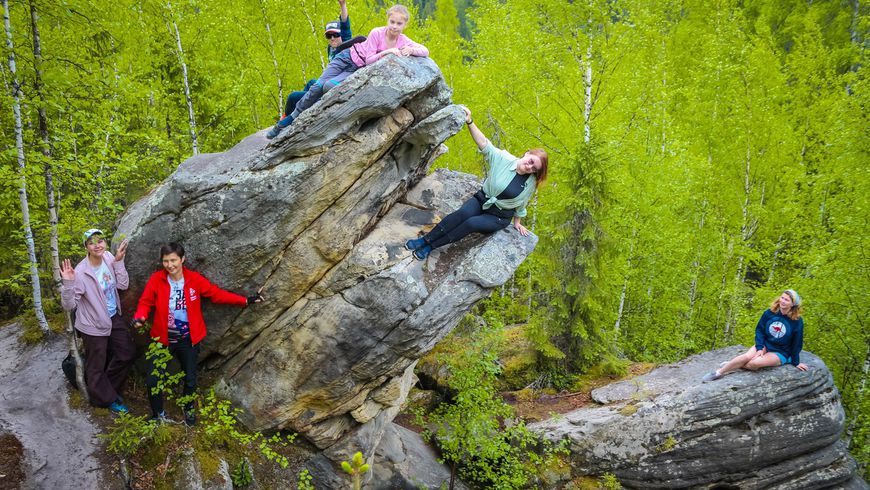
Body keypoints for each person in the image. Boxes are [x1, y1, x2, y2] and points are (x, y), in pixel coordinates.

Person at [131, 243, 264, 425]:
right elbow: (145, 302)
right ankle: (157, 415)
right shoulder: (157, 279)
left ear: (182, 259)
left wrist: (246, 300)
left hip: (188, 339)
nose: (170, 265)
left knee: (190, 379)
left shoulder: (194, 280)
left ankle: (189, 410)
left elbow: (217, 295)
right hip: (162, 339)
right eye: (165, 261)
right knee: (153, 380)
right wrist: (140, 318)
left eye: (173, 260)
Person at [405, 106, 548, 260]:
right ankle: (424, 240)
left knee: (471, 223)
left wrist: (517, 222)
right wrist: (469, 121)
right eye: (531, 161)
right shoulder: (503, 159)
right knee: (462, 214)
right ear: (527, 154)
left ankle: (430, 247)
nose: (530, 167)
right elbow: (484, 143)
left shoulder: (530, 183)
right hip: (482, 200)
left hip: (499, 217)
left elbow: (521, 204)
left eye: (534, 168)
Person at [266, 4, 428, 139]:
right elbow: (369, 60)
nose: (394, 26)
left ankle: (312, 118)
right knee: (317, 85)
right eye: (392, 21)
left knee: (329, 87)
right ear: (387, 20)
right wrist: (388, 52)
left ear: (405, 25)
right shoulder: (377, 33)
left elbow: (425, 51)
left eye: (399, 23)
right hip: (347, 57)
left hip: (356, 69)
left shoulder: (402, 40)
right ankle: (287, 121)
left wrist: (411, 50)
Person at [60, 229, 135, 413]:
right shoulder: (81, 272)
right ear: (86, 246)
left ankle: (104, 390)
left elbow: (123, 285)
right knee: (96, 366)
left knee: (127, 353)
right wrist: (68, 283)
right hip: (92, 325)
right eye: (92, 242)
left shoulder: (109, 257)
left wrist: (118, 262)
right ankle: (105, 400)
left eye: (100, 240)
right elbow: (69, 305)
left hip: (112, 316)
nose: (97, 245)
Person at [702, 289, 809, 381]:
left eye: (787, 300)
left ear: (793, 304)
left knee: (754, 364)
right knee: (747, 357)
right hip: (766, 344)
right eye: (782, 298)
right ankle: (718, 373)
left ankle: (731, 365)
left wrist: (795, 362)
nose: (783, 301)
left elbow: (797, 342)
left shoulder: (797, 321)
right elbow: (760, 331)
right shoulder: (769, 313)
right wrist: (759, 348)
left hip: (781, 352)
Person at [282, 0, 353, 118]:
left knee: (292, 97)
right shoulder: (331, 48)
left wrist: (343, 5)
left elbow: (345, 26)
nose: (332, 38)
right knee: (311, 82)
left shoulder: (346, 46)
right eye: (328, 35)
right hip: (325, 85)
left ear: (342, 36)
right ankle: (302, 110)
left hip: (333, 89)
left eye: (336, 35)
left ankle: (286, 120)